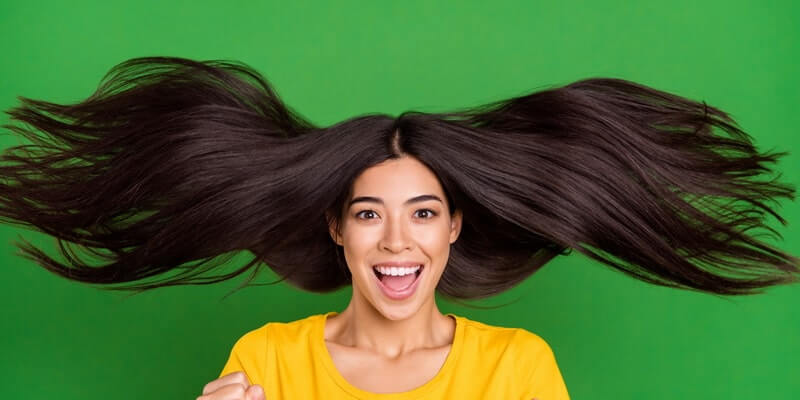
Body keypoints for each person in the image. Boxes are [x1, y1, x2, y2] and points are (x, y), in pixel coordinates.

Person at [0, 56, 797, 399]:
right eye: (368, 214)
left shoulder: (519, 369)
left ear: (453, 228)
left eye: (422, 214)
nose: (395, 241)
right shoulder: (266, 361)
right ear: (336, 230)